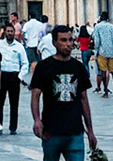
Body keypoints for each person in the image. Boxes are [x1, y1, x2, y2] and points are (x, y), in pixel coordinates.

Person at [30, 25, 98, 161]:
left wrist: (90, 130)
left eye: (70, 40)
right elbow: (35, 95)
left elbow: (84, 99)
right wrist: (37, 120)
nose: (68, 44)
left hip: (75, 131)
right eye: (63, 40)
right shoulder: (44, 67)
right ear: (55, 42)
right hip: (51, 130)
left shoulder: (78, 67)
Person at [0, 22, 29, 134]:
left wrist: (20, 77)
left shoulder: (19, 46)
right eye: (8, 31)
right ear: (5, 32)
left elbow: (25, 63)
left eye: (12, 31)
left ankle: (13, 127)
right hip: (2, 75)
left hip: (14, 75)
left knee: (14, 103)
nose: (10, 33)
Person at [91, 16, 113, 97]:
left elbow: (97, 40)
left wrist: (96, 49)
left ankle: (105, 92)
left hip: (102, 51)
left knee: (103, 71)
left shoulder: (98, 26)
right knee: (112, 72)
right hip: (111, 52)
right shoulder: (112, 26)